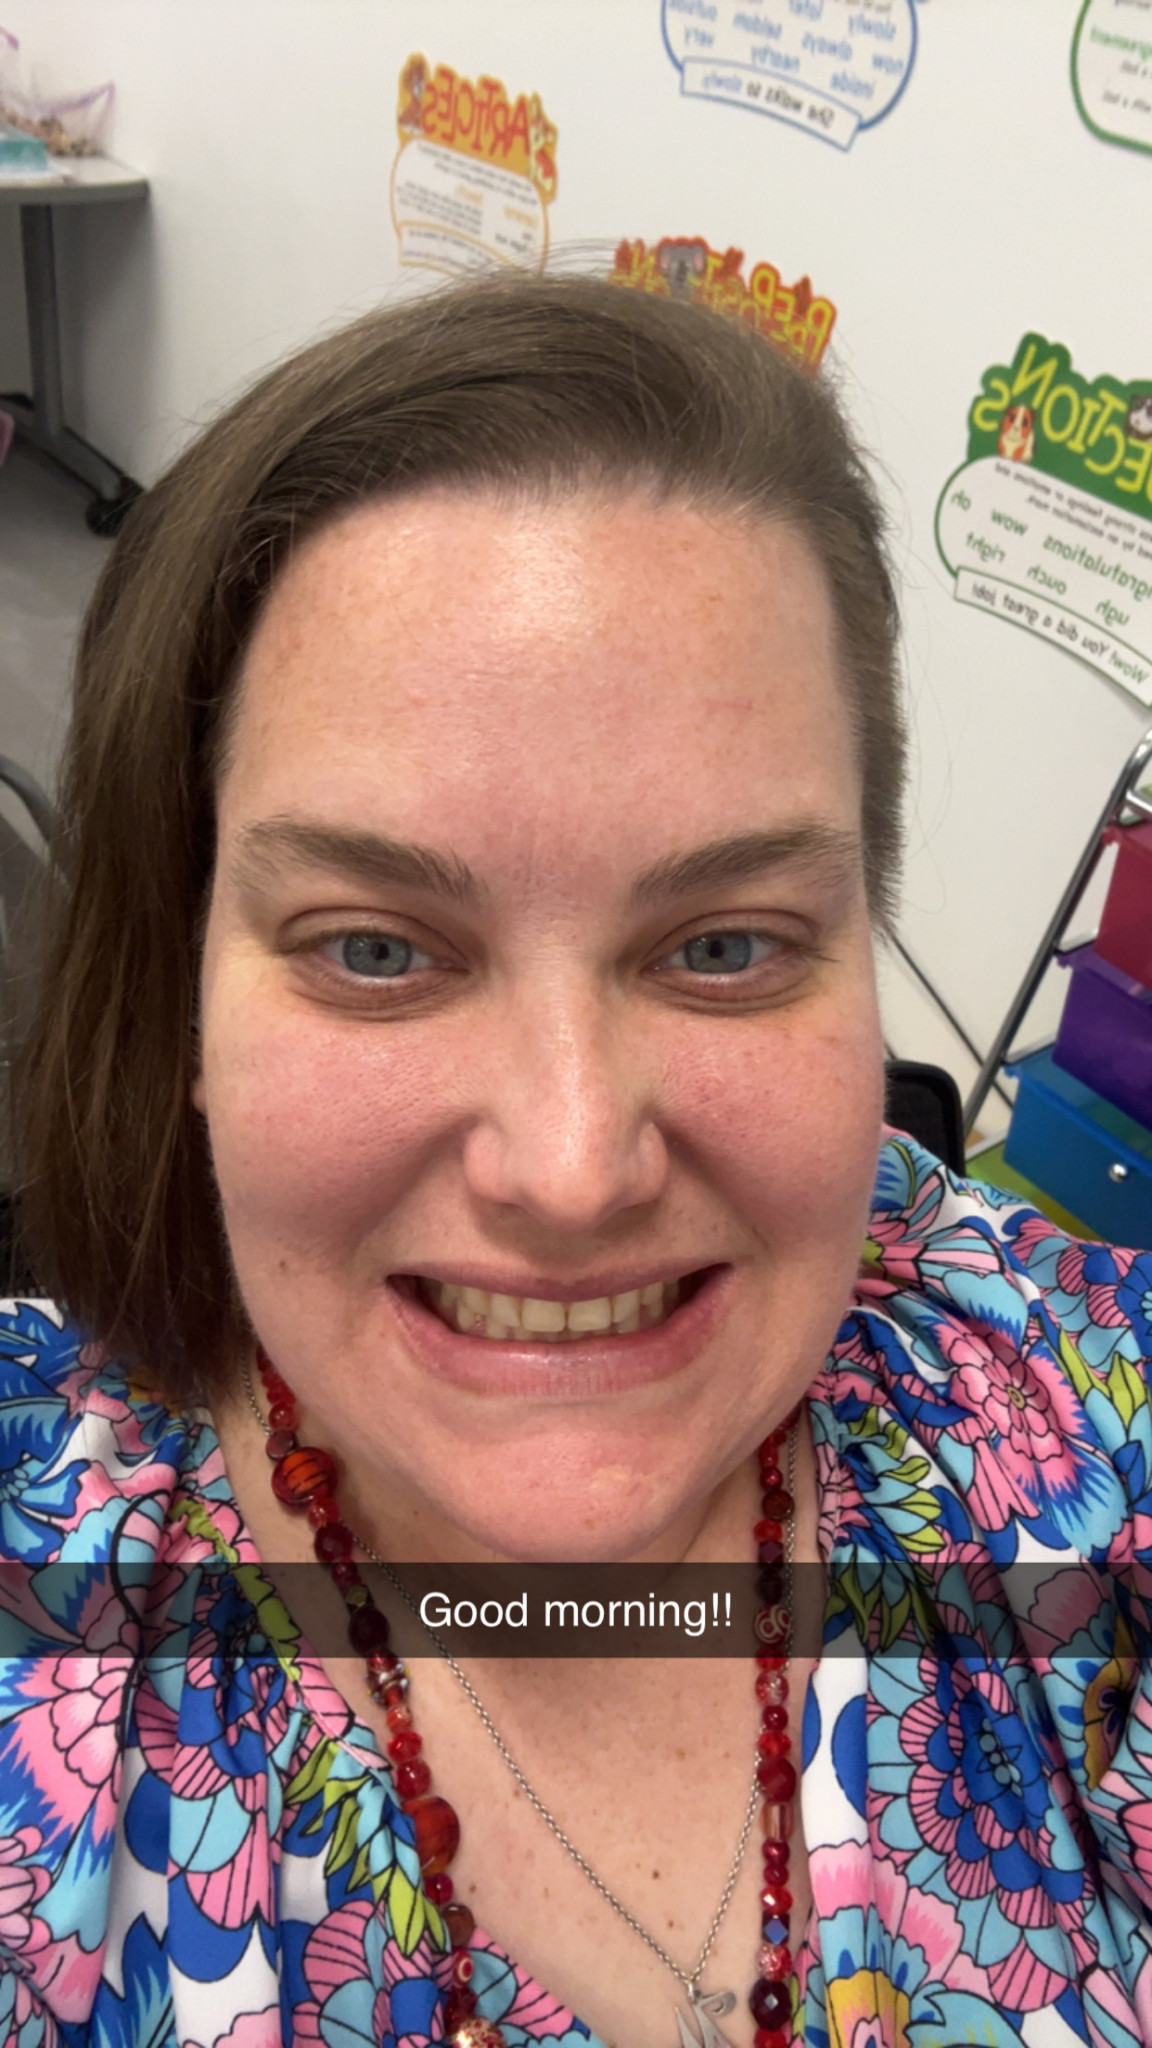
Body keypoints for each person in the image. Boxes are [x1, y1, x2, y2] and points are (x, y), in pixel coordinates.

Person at [1, 273, 1150, 2048]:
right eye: (377, 949)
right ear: (182, 1000)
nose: (569, 1167)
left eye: (725, 947)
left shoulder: (1075, 1413)